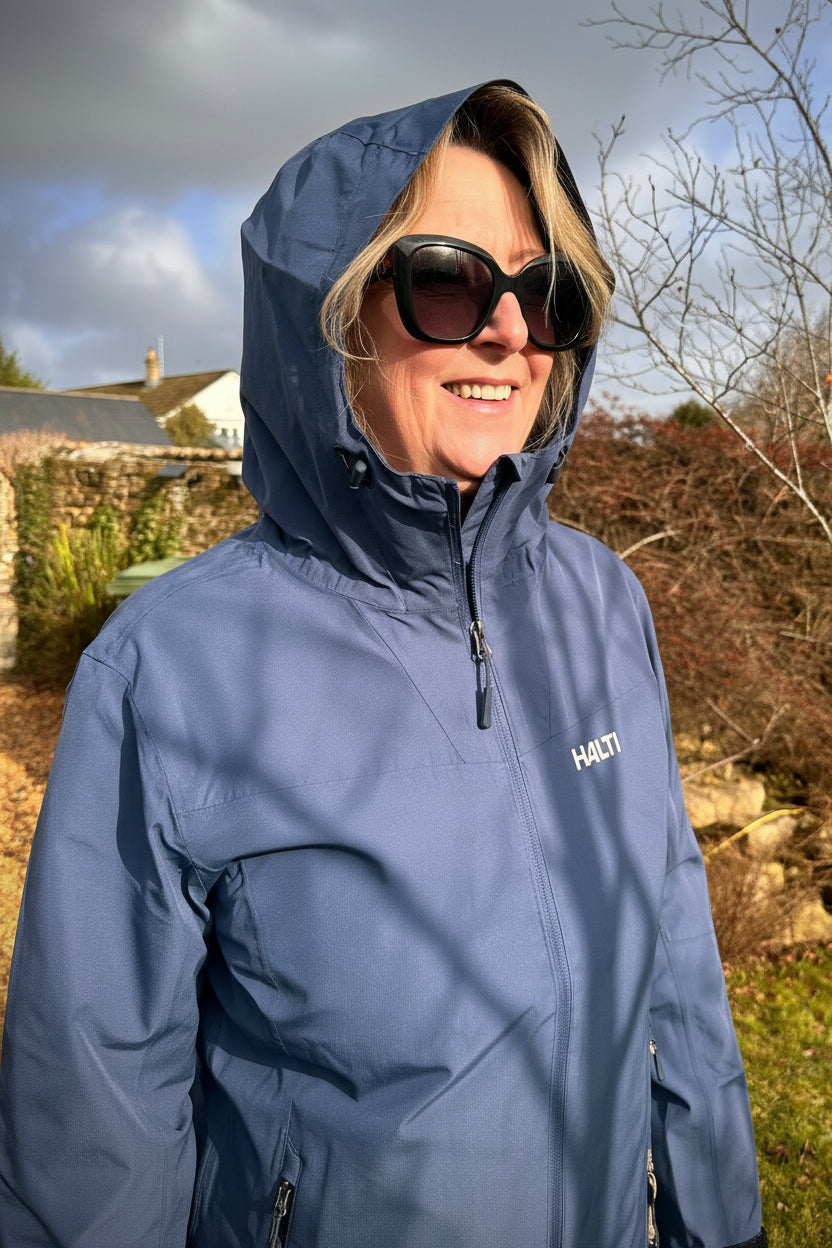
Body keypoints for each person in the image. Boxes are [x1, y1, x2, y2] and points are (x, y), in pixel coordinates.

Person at [0, 81, 766, 1248]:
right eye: (447, 280)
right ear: (331, 318)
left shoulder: (601, 602)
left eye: (546, 292)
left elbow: (672, 943)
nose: (509, 332)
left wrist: (722, 1218)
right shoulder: (174, 666)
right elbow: (96, 1106)